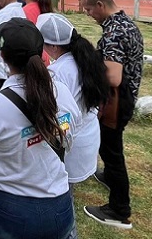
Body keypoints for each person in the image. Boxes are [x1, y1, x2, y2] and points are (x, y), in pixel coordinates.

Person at [0, 17, 81, 239]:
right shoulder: (61, 91)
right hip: (61, 207)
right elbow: (72, 128)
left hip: (12, 210)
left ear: (2, 55)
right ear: (41, 50)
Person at [78, 0, 144, 230]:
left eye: (88, 11)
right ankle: (110, 177)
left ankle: (119, 210)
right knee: (110, 148)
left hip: (116, 101)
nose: (88, 15)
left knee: (111, 151)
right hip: (126, 96)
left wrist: (87, 71)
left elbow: (113, 77)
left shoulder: (114, 33)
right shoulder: (125, 22)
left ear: (99, 5)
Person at [36, 13, 111, 183]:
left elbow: (55, 114)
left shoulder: (57, 71)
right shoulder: (87, 58)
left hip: (71, 141)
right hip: (88, 134)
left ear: (54, 47)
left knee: (62, 188)